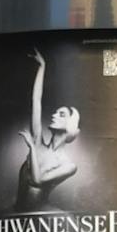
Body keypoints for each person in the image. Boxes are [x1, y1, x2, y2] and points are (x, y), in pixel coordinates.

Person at [13, 45, 81, 209]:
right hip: (17, 216)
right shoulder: (37, 141)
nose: (54, 115)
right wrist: (42, 67)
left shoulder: (69, 165)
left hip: (39, 218)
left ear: (69, 126)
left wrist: (31, 148)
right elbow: (36, 101)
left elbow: (38, 180)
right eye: (56, 113)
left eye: (61, 115)